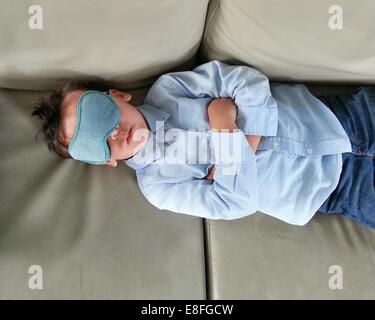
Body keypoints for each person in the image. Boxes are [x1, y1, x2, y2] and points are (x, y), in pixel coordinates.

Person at [31, 60, 375, 228]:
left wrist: (235, 158)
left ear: (118, 96)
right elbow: (234, 202)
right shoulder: (159, 187)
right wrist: (225, 124)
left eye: (104, 117)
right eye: (100, 143)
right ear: (106, 161)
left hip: (333, 117)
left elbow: (246, 81)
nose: (115, 133)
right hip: (330, 189)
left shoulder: (169, 90)